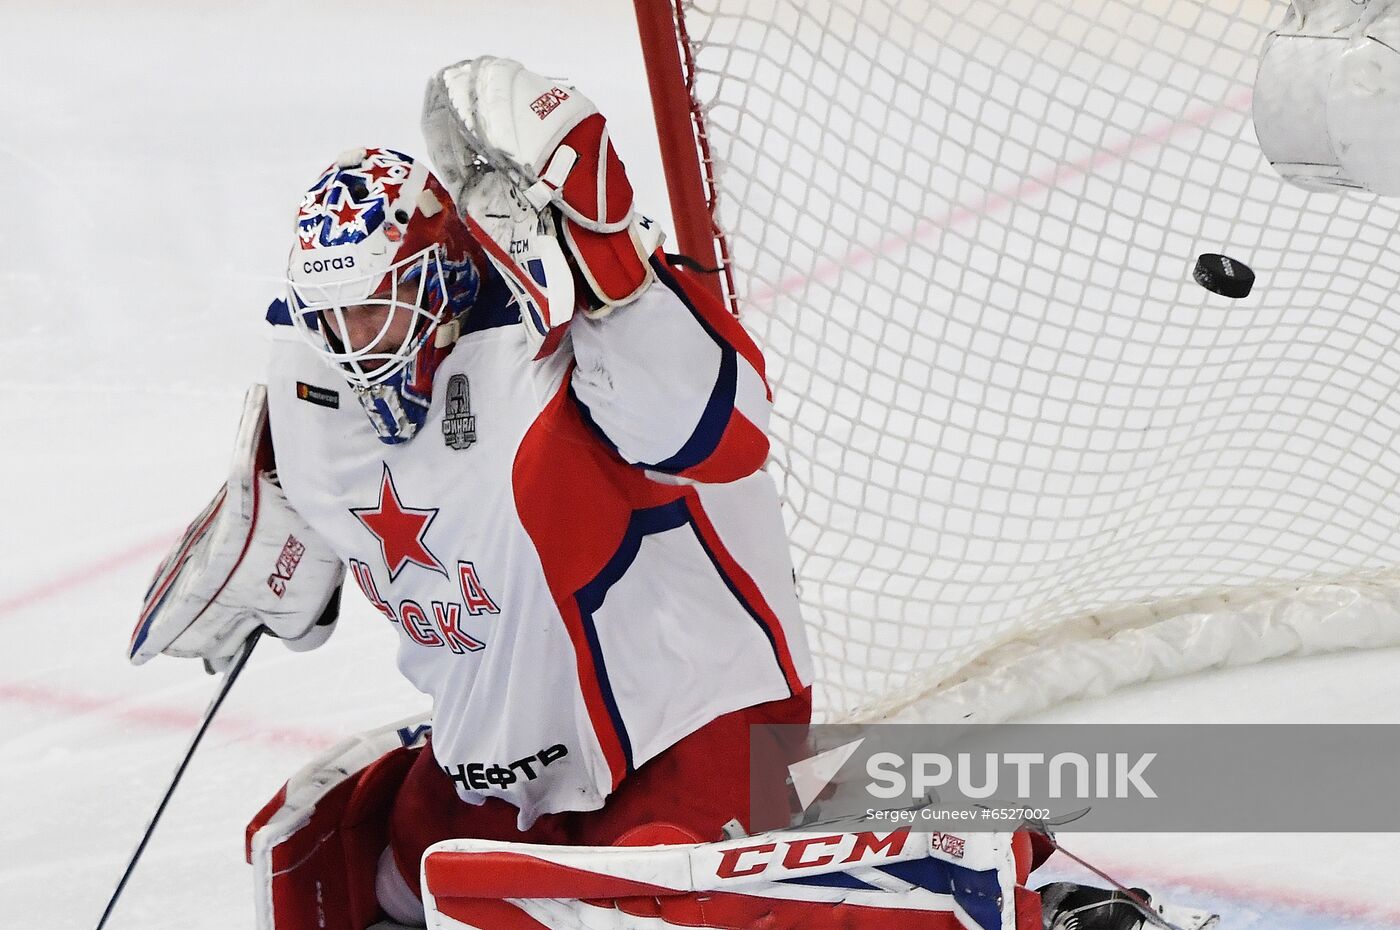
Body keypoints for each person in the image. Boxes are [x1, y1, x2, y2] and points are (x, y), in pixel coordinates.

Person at [128, 58, 1213, 930]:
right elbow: (303, 533)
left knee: (658, 907)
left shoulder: (551, 337)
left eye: (375, 310)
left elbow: (721, 430)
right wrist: (263, 535)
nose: (354, 347)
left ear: (437, 273)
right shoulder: (310, 382)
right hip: (504, 772)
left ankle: (997, 886)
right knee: (374, 863)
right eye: (333, 319)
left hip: (683, 735)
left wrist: (610, 257)